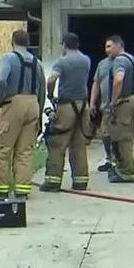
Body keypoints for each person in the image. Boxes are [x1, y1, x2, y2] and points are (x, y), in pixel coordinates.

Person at [0, 29, 46, 199]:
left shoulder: (9, 58)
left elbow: (1, 80)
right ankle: (22, 188)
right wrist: (40, 113)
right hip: (33, 104)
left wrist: (0, 102)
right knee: (25, 150)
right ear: (28, 43)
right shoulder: (38, 62)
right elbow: (42, 89)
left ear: (12, 42)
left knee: (2, 146)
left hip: (13, 103)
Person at [40, 32, 93, 192]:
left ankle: (52, 181)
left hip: (66, 106)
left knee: (58, 143)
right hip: (83, 106)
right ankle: (80, 181)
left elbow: (51, 79)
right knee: (78, 144)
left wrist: (50, 95)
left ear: (64, 45)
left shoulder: (62, 62)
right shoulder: (86, 60)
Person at [103, 35, 134, 183]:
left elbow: (119, 79)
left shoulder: (119, 60)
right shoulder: (132, 59)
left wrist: (114, 101)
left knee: (122, 138)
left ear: (119, 45)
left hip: (124, 103)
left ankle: (127, 172)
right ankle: (122, 169)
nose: (106, 50)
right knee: (126, 135)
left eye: (109, 46)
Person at [90, 44, 115, 173]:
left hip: (120, 106)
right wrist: (92, 102)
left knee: (120, 135)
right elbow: (96, 83)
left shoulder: (126, 61)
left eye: (110, 46)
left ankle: (120, 161)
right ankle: (109, 159)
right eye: (106, 47)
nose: (107, 50)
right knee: (105, 133)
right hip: (105, 106)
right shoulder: (102, 64)